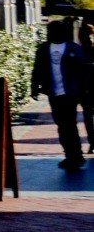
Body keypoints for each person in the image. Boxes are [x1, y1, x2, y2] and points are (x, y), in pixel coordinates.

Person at [38, 20, 94, 169]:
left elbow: (81, 70)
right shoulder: (44, 48)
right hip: (53, 93)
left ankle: (75, 156)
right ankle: (71, 154)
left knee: (69, 124)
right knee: (62, 125)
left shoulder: (73, 48)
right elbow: (38, 67)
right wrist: (34, 86)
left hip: (70, 93)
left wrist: (83, 90)